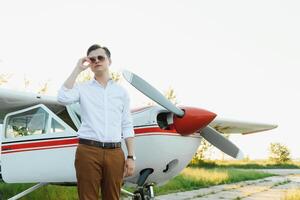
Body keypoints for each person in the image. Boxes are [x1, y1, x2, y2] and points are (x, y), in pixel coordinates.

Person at [57, 44, 135, 200]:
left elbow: (126, 125)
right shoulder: (82, 88)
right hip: (88, 151)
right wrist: (77, 69)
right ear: (89, 64)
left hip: (115, 153)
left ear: (109, 61)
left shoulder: (121, 92)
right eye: (92, 59)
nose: (96, 61)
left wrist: (131, 157)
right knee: (87, 197)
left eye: (101, 57)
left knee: (113, 197)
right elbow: (62, 97)